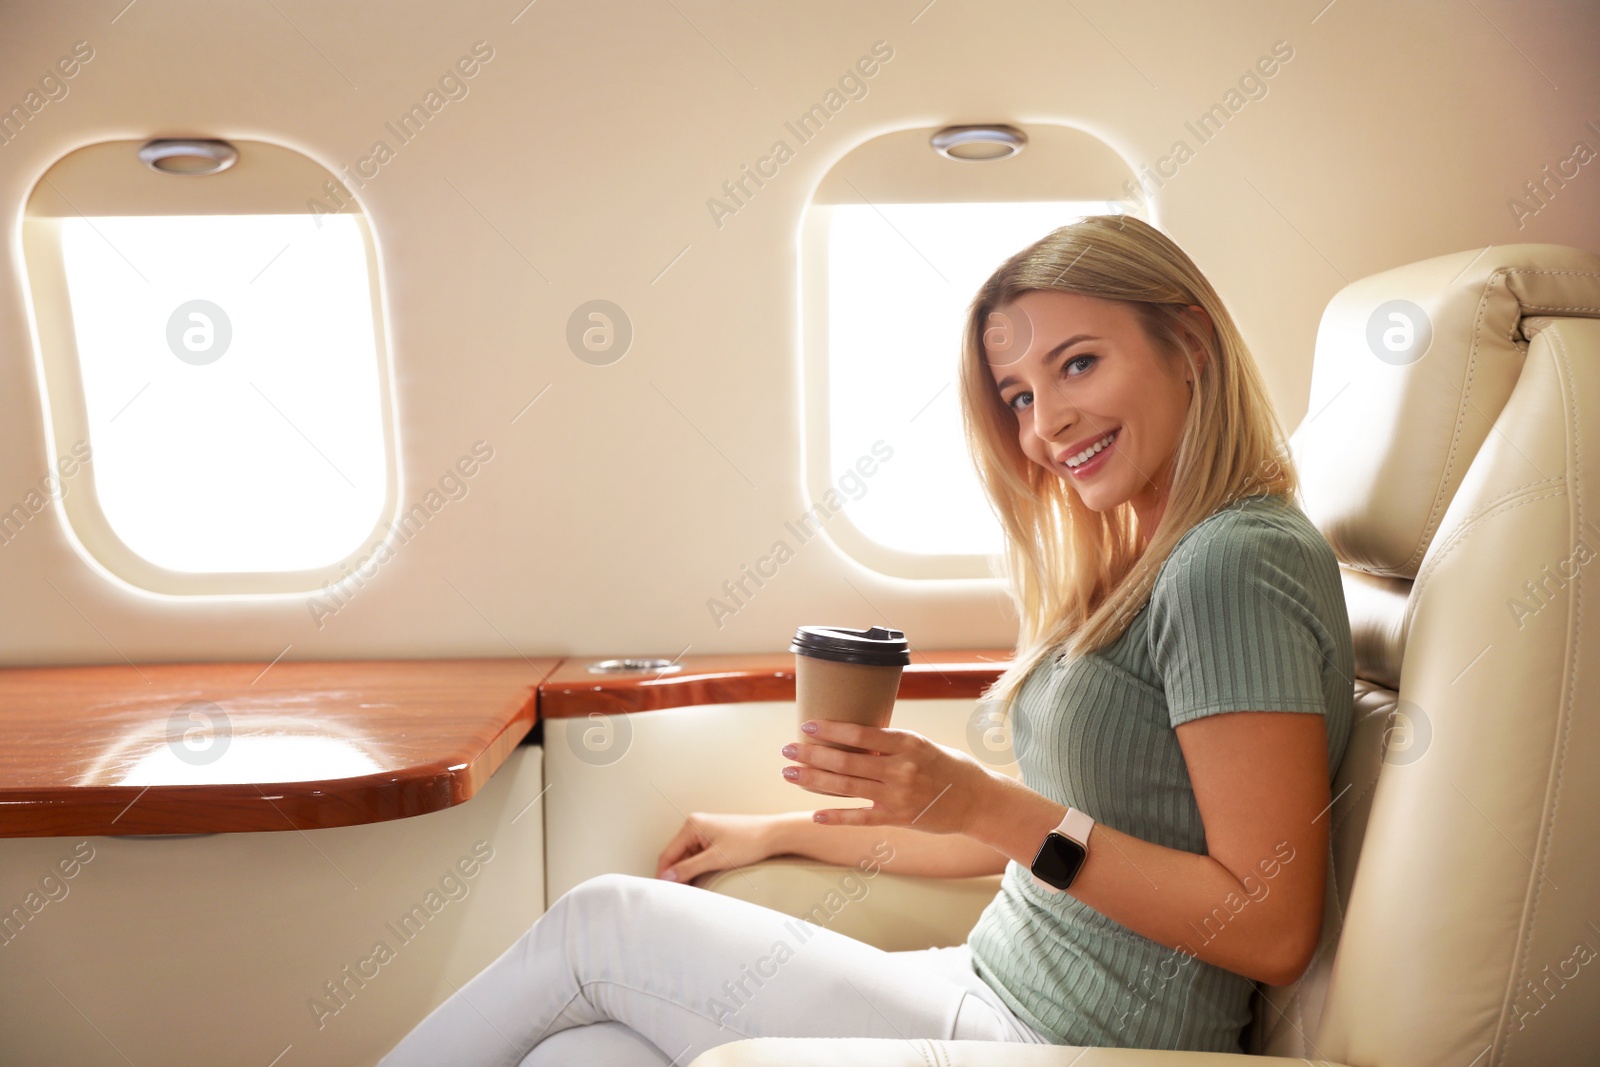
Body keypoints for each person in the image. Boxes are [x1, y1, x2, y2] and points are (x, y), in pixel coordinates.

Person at [377, 214, 1354, 1065]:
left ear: (1188, 342)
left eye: (1078, 363)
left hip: (1079, 1037)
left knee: (601, 923)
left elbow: (1267, 926)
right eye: (1016, 394)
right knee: (581, 1053)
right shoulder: (1145, 561)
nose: (1047, 424)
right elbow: (1051, 844)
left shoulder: (1234, 563)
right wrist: (783, 831)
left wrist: (986, 801)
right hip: (995, 982)